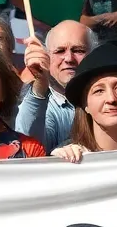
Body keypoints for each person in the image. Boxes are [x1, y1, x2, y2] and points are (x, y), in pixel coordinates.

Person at [51, 42, 117, 162]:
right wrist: (59, 162)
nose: (111, 99)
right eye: (99, 91)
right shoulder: (68, 159)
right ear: (85, 105)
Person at [15, 20, 93, 152]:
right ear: (47, 56)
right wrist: (40, 87)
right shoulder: (43, 105)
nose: (69, 58)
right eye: (60, 51)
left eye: (78, 50)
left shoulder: (108, 97)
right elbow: (29, 147)